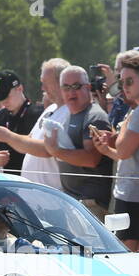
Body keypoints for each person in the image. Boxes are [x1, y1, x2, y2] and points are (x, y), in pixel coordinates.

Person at [89, 50, 139, 251]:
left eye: (129, 81)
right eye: (122, 82)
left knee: (125, 251)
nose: (124, 87)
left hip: (134, 193)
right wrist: (108, 147)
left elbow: (123, 151)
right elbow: (123, 151)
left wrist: (115, 138)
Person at [0, 58, 69, 188]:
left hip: (50, 192)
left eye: (46, 83)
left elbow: (48, 149)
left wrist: (8, 136)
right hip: (27, 189)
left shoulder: (62, 111)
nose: (42, 88)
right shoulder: (51, 109)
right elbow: (30, 139)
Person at [42, 65, 113, 218]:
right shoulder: (69, 115)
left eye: (76, 86)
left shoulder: (94, 116)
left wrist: (56, 151)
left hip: (91, 204)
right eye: (66, 87)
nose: (71, 92)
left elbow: (91, 158)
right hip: (75, 201)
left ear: (88, 88)